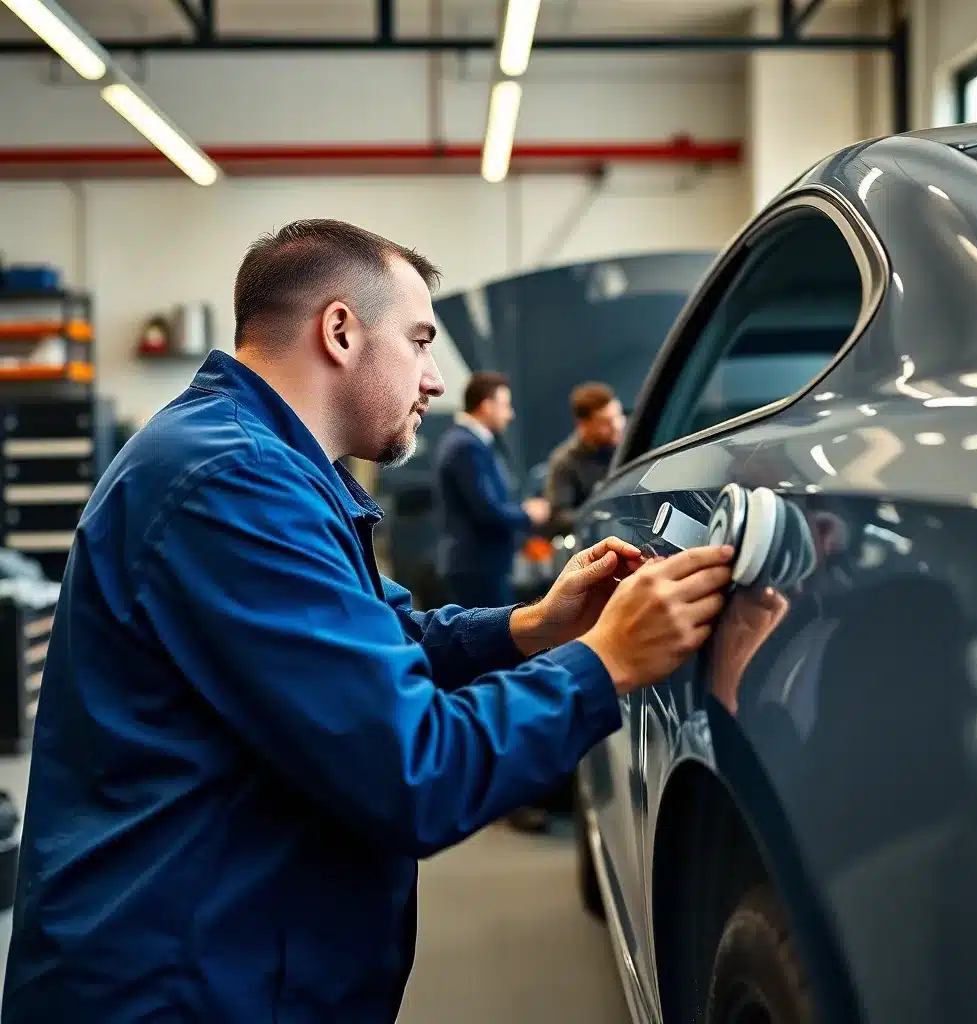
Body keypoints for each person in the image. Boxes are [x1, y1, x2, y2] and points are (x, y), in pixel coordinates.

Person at [2, 218, 734, 1024]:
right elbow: (414, 769)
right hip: (180, 991)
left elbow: (385, 641)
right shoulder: (232, 484)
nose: (432, 380)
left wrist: (532, 626)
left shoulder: (265, 467)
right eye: (420, 342)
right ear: (341, 331)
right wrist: (605, 662)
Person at [433, 371, 549, 609]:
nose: (510, 414)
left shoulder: (467, 443)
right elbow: (487, 509)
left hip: (479, 565)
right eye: (505, 405)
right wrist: (528, 514)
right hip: (477, 566)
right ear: (487, 406)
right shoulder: (466, 446)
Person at [545, 382, 627, 537]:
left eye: (618, 416)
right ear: (584, 424)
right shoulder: (564, 462)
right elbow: (559, 517)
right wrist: (599, 517)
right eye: (605, 421)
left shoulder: (631, 443)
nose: (617, 426)